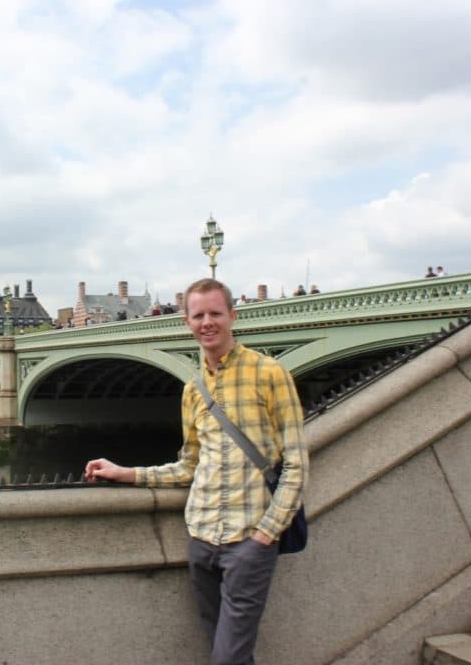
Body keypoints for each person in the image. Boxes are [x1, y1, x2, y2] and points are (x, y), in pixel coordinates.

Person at [85, 278, 308, 665]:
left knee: (228, 658)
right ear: (186, 322)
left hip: (248, 541)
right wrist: (127, 474)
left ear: (233, 317)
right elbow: (190, 465)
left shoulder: (270, 374)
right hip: (202, 538)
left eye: (215, 313)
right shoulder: (192, 390)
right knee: (225, 650)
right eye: (198, 315)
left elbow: (296, 463)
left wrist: (266, 534)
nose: (207, 322)